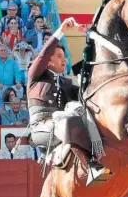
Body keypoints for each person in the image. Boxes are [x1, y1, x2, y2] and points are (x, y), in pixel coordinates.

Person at [27, 17, 111, 185]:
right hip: (41, 128)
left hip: (63, 124)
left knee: (82, 111)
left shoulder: (66, 82)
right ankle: (90, 167)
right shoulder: (35, 75)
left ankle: (100, 152)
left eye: (64, 56)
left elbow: (85, 95)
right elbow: (43, 54)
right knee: (67, 120)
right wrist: (61, 31)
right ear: (48, 62)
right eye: (59, 56)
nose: (64, 60)